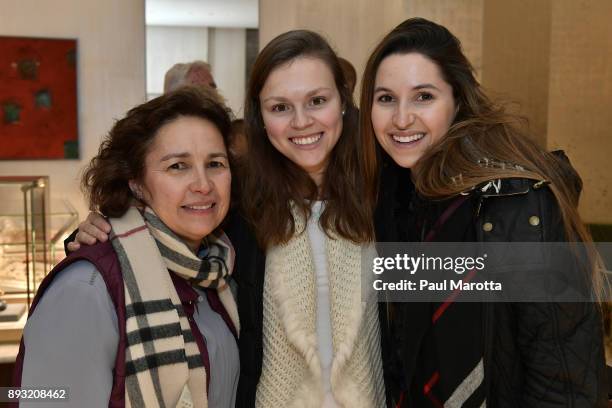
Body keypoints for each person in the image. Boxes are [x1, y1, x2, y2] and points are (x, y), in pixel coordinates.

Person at [66, 30, 386, 408]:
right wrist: (95, 231)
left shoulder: (384, 192)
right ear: (260, 117)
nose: (301, 121)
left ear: (343, 103)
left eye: (317, 101)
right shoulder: (238, 200)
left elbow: (435, 309)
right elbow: (163, 233)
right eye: (280, 107)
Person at [359, 18, 607, 407]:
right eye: (386, 98)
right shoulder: (391, 201)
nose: (402, 119)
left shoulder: (519, 202)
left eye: (423, 96)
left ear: (457, 100)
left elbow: (564, 379)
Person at [14, 88, 240, 408]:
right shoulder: (86, 288)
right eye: (178, 166)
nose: (203, 185)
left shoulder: (219, 270)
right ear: (135, 182)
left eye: (215, 163)